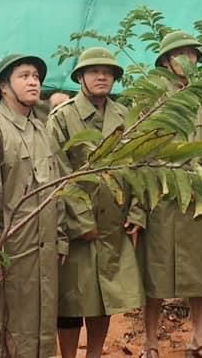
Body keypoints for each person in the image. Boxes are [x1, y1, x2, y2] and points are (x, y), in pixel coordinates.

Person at [0, 54, 68, 357]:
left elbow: (55, 188)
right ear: (4, 87)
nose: (34, 81)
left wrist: (59, 237)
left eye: (36, 75)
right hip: (10, 253)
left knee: (40, 329)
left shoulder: (41, 129)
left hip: (43, 250)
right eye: (24, 75)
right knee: (5, 331)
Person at [47, 48, 145, 358]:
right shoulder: (63, 118)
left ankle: (95, 354)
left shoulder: (125, 116)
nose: (101, 76)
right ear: (80, 78)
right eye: (94, 71)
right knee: (72, 299)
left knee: (106, 297)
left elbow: (141, 164)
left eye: (107, 71)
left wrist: (138, 211)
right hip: (78, 226)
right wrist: (80, 222)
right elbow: (57, 172)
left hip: (114, 225)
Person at [139, 31, 202, 358]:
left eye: (192, 54)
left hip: (201, 195)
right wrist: (168, 172)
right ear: (165, 60)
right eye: (180, 54)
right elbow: (141, 143)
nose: (187, 60)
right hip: (162, 196)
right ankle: (150, 342)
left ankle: (198, 337)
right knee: (156, 272)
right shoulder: (152, 97)